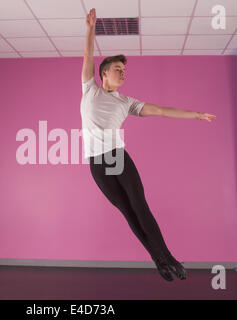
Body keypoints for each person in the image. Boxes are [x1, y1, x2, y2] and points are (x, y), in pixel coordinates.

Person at [81, 8, 216, 282]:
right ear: (104, 73)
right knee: (129, 214)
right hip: (96, 164)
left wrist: (195, 115)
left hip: (117, 158)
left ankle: (169, 257)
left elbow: (162, 111)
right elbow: (87, 57)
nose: (122, 74)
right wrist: (90, 29)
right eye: (118, 70)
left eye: (124, 71)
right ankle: (159, 261)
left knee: (141, 207)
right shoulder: (89, 88)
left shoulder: (126, 102)